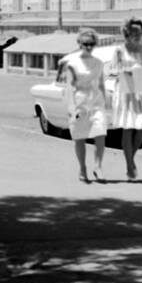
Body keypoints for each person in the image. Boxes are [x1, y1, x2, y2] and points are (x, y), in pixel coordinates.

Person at [109, 17, 142, 180]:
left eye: (140, 32)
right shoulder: (119, 51)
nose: (138, 35)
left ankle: (131, 158)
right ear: (127, 33)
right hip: (126, 92)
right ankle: (130, 166)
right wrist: (125, 71)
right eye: (134, 32)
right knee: (128, 128)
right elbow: (112, 71)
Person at [58, 28, 109, 183]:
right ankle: (82, 168)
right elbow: (70, 86)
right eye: (85, 43)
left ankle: (98, 166)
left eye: (91, 44)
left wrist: (106, 104)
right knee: (80, 138)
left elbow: (101, 84)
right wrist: (71, 108)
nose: (88, 46)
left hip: (96, 101)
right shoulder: (72, 63)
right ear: (79, 44)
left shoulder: (99, 63)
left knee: (100, 133)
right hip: (79, 101)